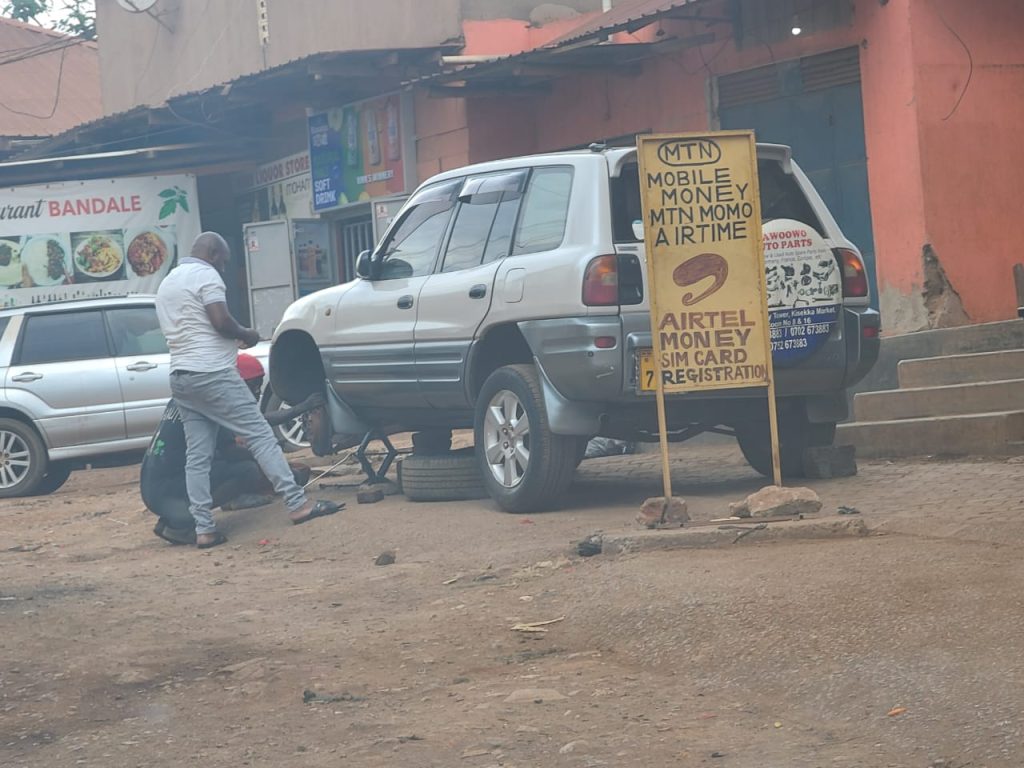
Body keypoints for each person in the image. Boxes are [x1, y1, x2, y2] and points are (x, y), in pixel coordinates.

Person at [155, 232, 338, 549]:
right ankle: (298, 504)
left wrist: (226, 338)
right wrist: (248, 334)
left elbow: (194, 328)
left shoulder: (168, 282)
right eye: (224, 261)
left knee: (197, 455)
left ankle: (204, 529)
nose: (224, 268)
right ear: (213, 254)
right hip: (213, 373)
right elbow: (220, 320)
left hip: (181, 377)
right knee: (260, 435)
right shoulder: (205, 275)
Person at [141, 354, 317, 546]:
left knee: (210, 459)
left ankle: (175, 520)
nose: (257, 392)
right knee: (247, 469)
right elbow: (230, 450)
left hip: (154, 488)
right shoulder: (214, 398)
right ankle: (183, 523)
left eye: (259, 386)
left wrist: (299, 409)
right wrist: (274, 467)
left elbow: (255, 422)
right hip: (168, 493)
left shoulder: (190, 398)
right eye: (252, 386)